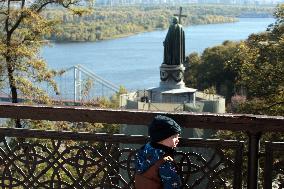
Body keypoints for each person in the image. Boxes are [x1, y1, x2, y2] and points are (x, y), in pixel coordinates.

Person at [135, 115, 182, 189]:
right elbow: (172, 185)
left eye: (178, 136)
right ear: (161, 139)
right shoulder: (165, 162)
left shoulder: (143, 151)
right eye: (174, 137)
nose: (178, 140)